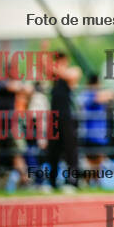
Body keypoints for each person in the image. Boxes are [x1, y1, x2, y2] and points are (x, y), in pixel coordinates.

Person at [48, 52, 82, 191]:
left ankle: (72, 182)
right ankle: (52, 182)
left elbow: (69, 75)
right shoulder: (55, 76)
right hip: (54, 117)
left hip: (68, 116)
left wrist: (55, 67)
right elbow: (45, 69)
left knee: (70, 151)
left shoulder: (73, 71)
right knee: (53, 150)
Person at [78, 74, 114, 185]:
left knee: (98, 161)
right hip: (90, 134)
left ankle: (96, 182)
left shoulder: (92, 94)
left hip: (99, 135)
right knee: (90, 161)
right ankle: (88, 182)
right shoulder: (88, 94)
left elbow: (112, 94)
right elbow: (101, 97)